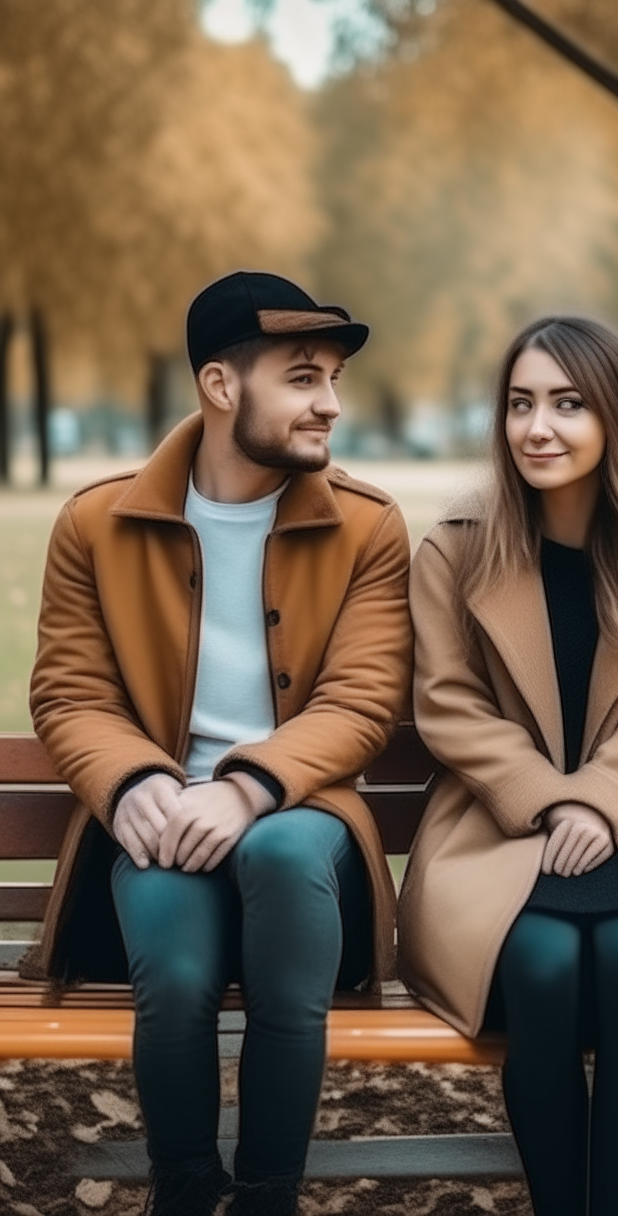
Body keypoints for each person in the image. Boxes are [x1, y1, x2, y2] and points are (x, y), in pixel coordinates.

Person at [24, 271, 413, 1216]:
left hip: (301, 823)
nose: (330, 403)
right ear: (221, 384)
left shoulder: (367, 526)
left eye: (332, 381)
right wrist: (131, 784)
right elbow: (71, 691)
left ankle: (271, 1194)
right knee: (179, 976)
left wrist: (244, 790)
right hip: (156, 819)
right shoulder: (96, 521)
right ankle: (186, 1190)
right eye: (305, 377)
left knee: (280, 851)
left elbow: (364, 701)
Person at [397, 316, 618, 1216]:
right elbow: (448, 702)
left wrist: (598, 798)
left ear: (616, 419)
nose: (537, 428)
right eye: (520, 404)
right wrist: (550, 804)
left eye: (567, 403)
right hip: (497, 825)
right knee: (543, 964)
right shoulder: (458, 547)